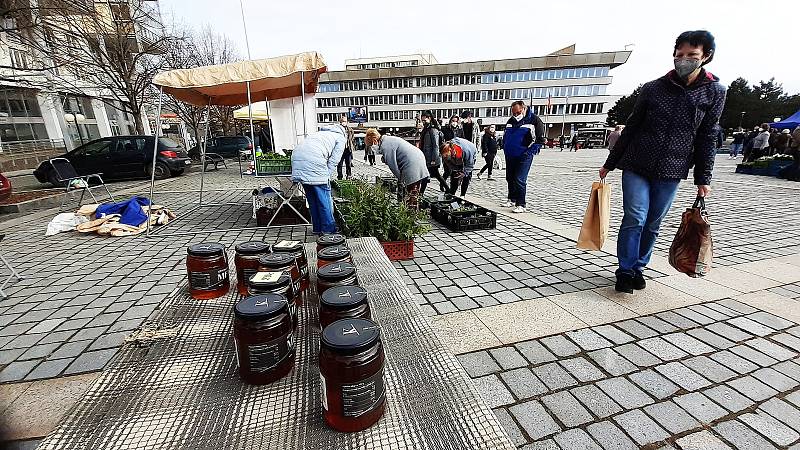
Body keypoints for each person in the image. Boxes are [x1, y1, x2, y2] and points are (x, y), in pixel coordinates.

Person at [599, 30, 726, 294]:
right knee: (635, 216)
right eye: (680, 55)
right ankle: (624, 270)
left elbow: (708, 135)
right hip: (637, 162)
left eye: (692, 55)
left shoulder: (715, 92)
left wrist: (704, 178)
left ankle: (638, 267)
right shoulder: (653, 88)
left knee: (653, 223)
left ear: (706, 57)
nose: (684, 60)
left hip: (672, 168)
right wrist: (610, 163)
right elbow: (632, 127)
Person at [291, 124, 347, 234]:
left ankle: (317, 228)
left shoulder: (319, 134)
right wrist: (326, 177)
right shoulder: (340, 138)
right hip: (314, 163)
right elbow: (334, 161)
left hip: (297, 159)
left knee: (313, 199)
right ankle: (329, 230)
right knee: (324, 200)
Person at [365, 128, 429, 208]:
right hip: (418, 158)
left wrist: (401, 181)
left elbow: (394, 167)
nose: (372, 148)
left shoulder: (385, 146)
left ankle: (410, 213)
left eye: (371, 145)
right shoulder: (387, 140)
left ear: (374, 141)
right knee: (414, 190)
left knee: (411, 192)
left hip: (412, 163)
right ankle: (411, 209)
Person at [502, 100, 545, 213]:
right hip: (510, 154)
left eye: (518, 112)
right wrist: (505, 146)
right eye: (514, 113)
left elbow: (540, 140)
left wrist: (529, 152)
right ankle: (512, 198)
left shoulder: (534, 120)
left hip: (524, 155)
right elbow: (506, 135)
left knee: (519, 179)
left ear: (524, 108)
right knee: (510, 178)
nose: (516, 115)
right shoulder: (511, 120)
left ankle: (521, 204)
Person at [419, 111, 448, 192]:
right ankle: (447, 189)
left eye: (425, 120)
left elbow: (436, 146)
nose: (423, 122)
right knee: (433, 175)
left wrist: (433, 160)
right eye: (423, 120)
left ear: (429, 119)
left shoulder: (433, 130)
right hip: (427, 157)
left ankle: (421, 193)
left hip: (432, 158)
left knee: (430, 175)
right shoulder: (426, 129)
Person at [336, 115, 355, 180]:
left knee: (348, 164)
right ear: (340, 122)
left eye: (345, 121)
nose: (344, 122)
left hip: (348, 149)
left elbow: (352, 137)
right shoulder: (337, 129)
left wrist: (349, 144)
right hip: (340, 149)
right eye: (343, 121)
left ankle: (349, 175)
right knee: (339, 164)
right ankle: (340, 176)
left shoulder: (350, 130)